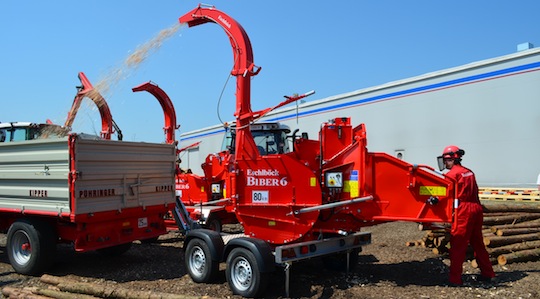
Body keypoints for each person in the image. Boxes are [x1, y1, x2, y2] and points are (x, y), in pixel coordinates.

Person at [437, 145, 495, 285]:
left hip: (463, 210)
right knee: (478, 243)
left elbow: (444, 193)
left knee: (458, 245)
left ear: (451, 159)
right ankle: (488, 273)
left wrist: (434, 199)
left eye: (446, 160)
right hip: (476, 208)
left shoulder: (451, 175)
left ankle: (455, 279)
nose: (445, 163)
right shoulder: (469, 172)